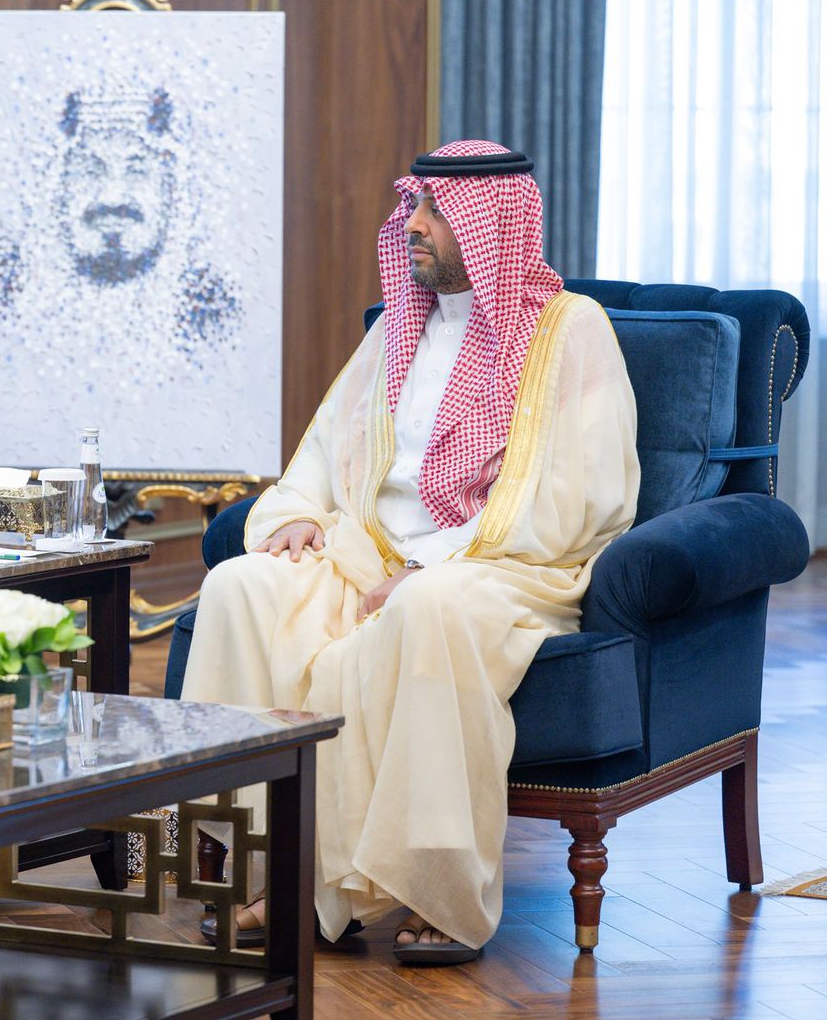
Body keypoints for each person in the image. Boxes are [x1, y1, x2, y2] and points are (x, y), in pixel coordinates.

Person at [181, 140, 640, 964]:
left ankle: (436, 894)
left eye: (433, 210)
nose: (413, 225)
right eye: (412, 207)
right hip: (369, 552)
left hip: (503, 567)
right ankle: (276, 867)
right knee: (242, 587)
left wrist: (433, 567)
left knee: (426, 608)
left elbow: (580, 489)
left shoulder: (570, 330)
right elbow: (328, 444)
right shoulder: (400, 324)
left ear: (490, 222)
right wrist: (296, 514)